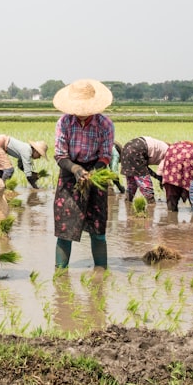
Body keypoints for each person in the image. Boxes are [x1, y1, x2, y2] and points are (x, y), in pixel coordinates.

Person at [51, 79, 114, 270]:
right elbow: (60, 155)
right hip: (70, 172)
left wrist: (92, 172)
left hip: (96, 173)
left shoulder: (105, 124)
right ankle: (60, 275)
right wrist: (77, 170)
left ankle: (101, 272)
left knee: (97, 227)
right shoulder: (64, 122)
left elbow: (105, 155)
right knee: (65, 228)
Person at [119, 136, 168, 204]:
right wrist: (162, 179)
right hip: (137, 149)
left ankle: (128, 201)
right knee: (144, 179)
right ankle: (151, 202)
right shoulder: (169, 152)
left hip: (127, 148)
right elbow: (160, 170)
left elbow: (145, 168)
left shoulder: (161, 147)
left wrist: (157, 177)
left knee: (132, 181)